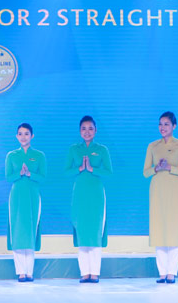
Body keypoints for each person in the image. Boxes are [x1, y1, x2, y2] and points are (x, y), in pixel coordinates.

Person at [143, 111, 178, 284]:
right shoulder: (152, 146)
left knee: (173, 231)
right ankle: (162, 272)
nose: (162, 127)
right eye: (160, 124)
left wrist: (170, 167)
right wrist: (156, 168)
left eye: (166, 124)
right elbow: (145, 172)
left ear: (174, 126)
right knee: (159, 230)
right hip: (157, 191)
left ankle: (172, 272)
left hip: (175, 191)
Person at [64, 116, 112, 283]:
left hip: (96, 195)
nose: (87, 132)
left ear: (96, 131)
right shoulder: (74, 149)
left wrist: (92, 169)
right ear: (80, 131)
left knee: (95, 233)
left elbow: (109, 172)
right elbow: (66, 171)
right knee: (83, 233)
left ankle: (95, 273)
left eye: (90, 128)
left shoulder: (102, 149)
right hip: (80, 194)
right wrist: (79, 168)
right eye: (84, 129)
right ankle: (85, 273)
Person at [6, 123, 47, 282]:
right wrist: (19, 173)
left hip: (33, 196)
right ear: (17, 136)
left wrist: (30, 174)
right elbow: (8, 177)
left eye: (26, 134)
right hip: (16, 197)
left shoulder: (39, 155)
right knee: (17, 231)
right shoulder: (11, 155)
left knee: (30, 230)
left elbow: (43, 177)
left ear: (32, 136)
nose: (23, 137)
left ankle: (29, 271)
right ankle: (20, 272)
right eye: (20, 134)